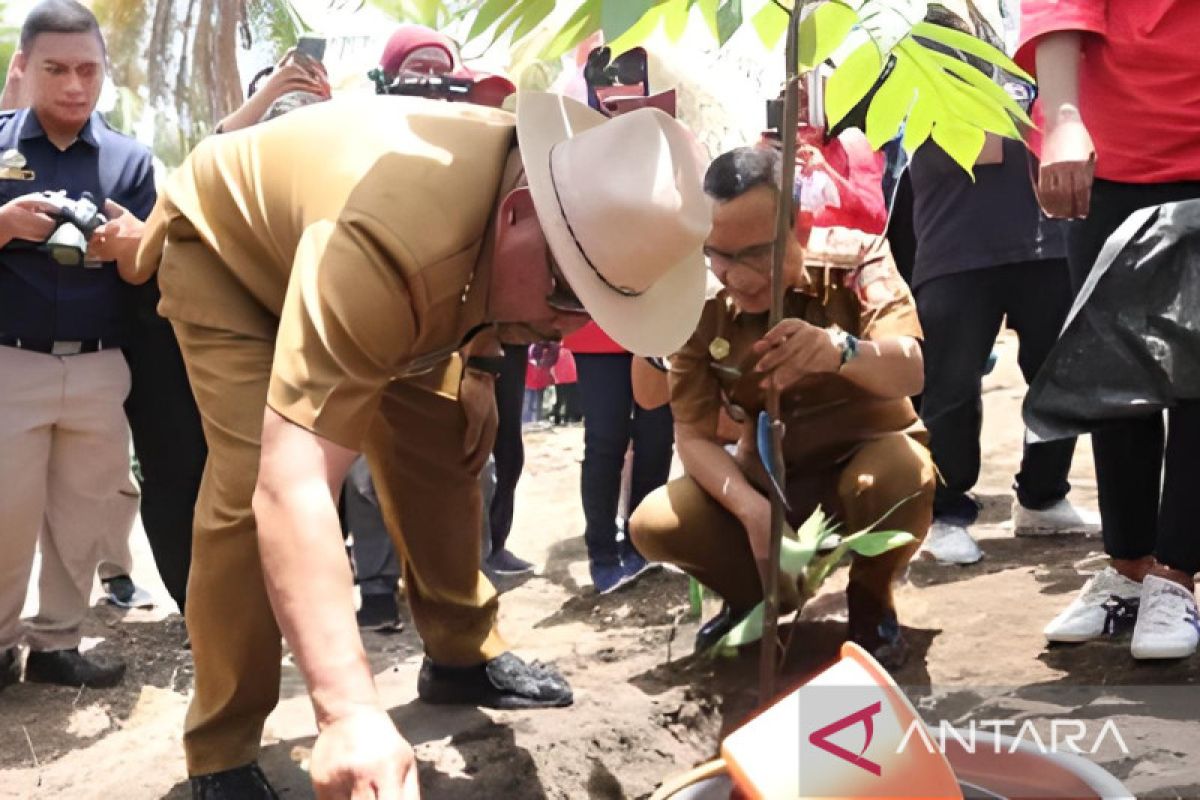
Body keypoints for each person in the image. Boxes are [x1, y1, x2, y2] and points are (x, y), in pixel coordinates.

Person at [132, 91, 710, 798]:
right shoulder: (395, 240)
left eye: (603, 304)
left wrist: (485, 362)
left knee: (445, 441)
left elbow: (504, 266)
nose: (570, 326)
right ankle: (220, 745)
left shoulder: (564, 187)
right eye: (567, 294)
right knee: (251, 479)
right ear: (518, 217)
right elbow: (296, 481)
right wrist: (348, 712)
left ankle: (462, 652)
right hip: (233, 259)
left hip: (381, 260)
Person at [630, 146, 934, 670]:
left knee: (899, 473)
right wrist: (752, 510)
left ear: (801, 223)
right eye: (717, 254)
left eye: (754, 253)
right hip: (772, 482)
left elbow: (909, 367)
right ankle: (761, 598)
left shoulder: (857, 259)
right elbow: (693, 431)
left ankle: (871, 599)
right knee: (657, 522)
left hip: (863, 467)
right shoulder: (696, 300)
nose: (735, 274)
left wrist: (841, 352)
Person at [1018, 0, 1200, 660]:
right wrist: (1063, 117)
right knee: (1113, 369)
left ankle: (1176, 578)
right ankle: (1129, 567)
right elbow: (1061, 10)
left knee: (1196, 377)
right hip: (1111, 157)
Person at [0, 0, 154, 692]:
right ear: (25, 68)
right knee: (5, 515)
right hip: (12, 363)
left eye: (87, 69)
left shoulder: (130, 160)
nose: (73, 85)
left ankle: (58, 643)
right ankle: (1, 646)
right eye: (56, 68)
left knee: (82, 516)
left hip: (99, 366)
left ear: (103, 71)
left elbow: (147, 272)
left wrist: (131, 245)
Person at [908, 5, 1097, 566]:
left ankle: (1042, 497)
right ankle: (944, 512)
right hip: (957, 247)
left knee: (1056, 379)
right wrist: (1061, 116)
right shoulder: (929, 30)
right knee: (951, 387)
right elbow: (977, 143)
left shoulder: (1039, 30)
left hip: (1042, 238)